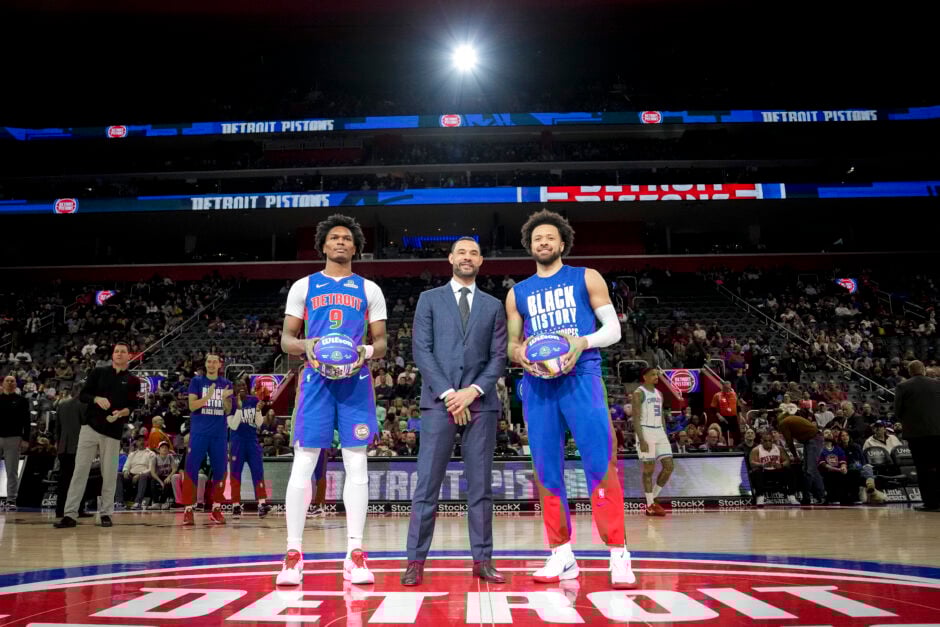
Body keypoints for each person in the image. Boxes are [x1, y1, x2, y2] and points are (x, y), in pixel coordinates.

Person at [506, 209, 636, 589]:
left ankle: (618, 553)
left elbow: (612, 330)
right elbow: (514, 345)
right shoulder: (518, 293)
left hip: (582, 377)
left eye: (549, 237)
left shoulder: (586, 277)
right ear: (530, 247)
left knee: (600, 463)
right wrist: (523, 354)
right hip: (539, 386)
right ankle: (561, 556)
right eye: (536, 239)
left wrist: (582, 342)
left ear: (562, 243)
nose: (543, 242)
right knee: (547, 470)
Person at [276, 214, 388, 586]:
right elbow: (287, 340)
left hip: (355, 381)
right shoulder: (303, 287)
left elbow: (383, 343)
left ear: (356, 247)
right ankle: (293, 554)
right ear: (323, 245)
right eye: (334, 238)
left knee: (357, 465)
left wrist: (366, 352)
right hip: (315, 382)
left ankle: (355, 554)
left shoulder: (369, 289)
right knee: (304, 462)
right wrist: (305, 345)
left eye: (347, 239)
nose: (340, 243)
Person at [403, 236, 507, 586]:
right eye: (461, 252)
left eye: (473, 253)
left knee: (480, 488)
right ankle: (415, 562)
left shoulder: (494, 305)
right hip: (438, 403)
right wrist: (451, 394)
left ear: (481, 261)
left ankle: (483, 560)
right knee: (427, 486)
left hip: (481, 404)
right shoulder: (428, 300)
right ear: (450, 258)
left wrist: (471, 392)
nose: (467, 257)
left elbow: (498, 357)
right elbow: (422, 351)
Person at [54, 342, 141, 528]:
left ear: (129, 356)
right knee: (79, 471)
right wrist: (96, 398)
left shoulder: (133, 381)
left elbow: (133, 406)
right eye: (116, 351)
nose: (119, 354)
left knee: (109, 475)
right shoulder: (99, 372)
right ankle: (70, 514)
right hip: (90, 427)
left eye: (123, 352)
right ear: (112, 355)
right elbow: (84, 395)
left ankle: (106, 514)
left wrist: (122, 413)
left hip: (113, 431)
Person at [182, 352, 233, 525]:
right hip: (199, 433)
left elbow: (227, 410)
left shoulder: (226, 384)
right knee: (191, 469)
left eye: (214, 362)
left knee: (220, 471)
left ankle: (216, 508)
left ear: (220, 365)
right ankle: (188, 509)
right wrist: (209, 396)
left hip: (219, 434)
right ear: (205, 364)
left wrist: (226, 399)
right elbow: (192, 405)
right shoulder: (197, 381)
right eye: (208, 361)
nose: (211, 364)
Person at [894, 360, 940, 511]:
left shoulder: (903, 386)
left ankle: (930, 503)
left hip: (917, 436)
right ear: (924, 370)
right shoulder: (936, 384)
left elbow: (897, 412)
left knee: (923, 469)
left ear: (910, 372)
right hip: (937, 433)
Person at [632, 368, 674, 516]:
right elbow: (635, 418)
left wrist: (664, 433)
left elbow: (661, 415)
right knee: (648, 469)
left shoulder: (659, 394)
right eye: (653, 374)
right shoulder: (638, 393)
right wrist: (641, 439)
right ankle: (650, 505)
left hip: (659, 431)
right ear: (645, 377)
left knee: (669, 466)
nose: (656, 376)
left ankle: (652, 498)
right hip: (646, 430)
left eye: (657, 374)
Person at [227, 382, 272, 519]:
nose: (241, 386)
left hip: (252, 441)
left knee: (258, 472)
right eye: (238, 384)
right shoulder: (230, 403)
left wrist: (258, 411)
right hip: (237, 443)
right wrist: (240, 408)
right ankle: (235, 505)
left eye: (243, 385)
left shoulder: (254, 400)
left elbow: (258, 423)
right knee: (235, 475)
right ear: (234, 389)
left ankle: (262, 504)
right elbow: (233, 426)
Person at [53, 392, 88, 518]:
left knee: (63, 480)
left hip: (63, 447)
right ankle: (78, 509)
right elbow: (86, 426)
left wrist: (59, 444)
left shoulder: (62, 405)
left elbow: (57, 428)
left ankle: (60, 509)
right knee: (80, 478)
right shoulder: (84, 405)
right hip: (78, 446)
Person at [777, 414, 826, 505]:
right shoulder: (792, 419)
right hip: (812, 440)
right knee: (808, 470)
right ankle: (816, 496)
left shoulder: (783, 423)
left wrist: (795, 456)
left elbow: (789, 441)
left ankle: (813, 497)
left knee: (810, 470)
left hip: (813, 440)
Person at [1, 375, 30, 511]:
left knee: (11, 470)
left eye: (12, 380)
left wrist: (25, 439)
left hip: (14, 438)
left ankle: (11, 499)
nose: (10, 382)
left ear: (16, 384)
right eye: (7, 380)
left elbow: (27, 421)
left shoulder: (22, 400)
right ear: (3, 383)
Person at [749, 431, 800, 506]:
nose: (768, 442)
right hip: (764, 473)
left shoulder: (779, 448)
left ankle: (791, 495)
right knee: (756, 472)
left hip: (777, 471)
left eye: (769, 440)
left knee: (789, 470)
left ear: (772, 440)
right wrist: (762, 465)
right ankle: (760, 496)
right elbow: (752, 463)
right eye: (765, 441)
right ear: (761, 441)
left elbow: (787, 461)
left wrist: (781, 465)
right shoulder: (756, 450)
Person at [818, 430, 851, 505]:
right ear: (822, 436)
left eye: (830, 433)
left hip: (838, 471)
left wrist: (844, 468)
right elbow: (824, 464)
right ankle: (832, 498)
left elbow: (843, 460)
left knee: (849, 474)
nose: (829, 433)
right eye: (826, 433)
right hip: (826, 472)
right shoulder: (820, 448)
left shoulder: (838, 448)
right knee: (832, 476)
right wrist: (838, 469)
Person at [711, 381, 741, 446]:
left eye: (729, 388)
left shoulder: (734, 394)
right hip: (723, 418)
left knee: (737, 434)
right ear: (723, 387)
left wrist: (741, 416)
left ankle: (737, 448)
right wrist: (719, 416)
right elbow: (712, 408)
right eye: (726, 388)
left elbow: (738, 405)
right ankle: (723, 448)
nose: (727, 390)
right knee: (722, 434)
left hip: (733, 417)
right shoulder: (717, 395)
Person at [150, 441, 178, 509]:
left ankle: (163, 502)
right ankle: (156, 502)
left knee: (168, 483)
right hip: (158, 477)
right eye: (162, 447)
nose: (164, 449)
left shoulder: (170, 457)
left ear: (168, 450)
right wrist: (160, 482)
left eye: (166, 448)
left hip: (167, 476)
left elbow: (174, 469)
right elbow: (152, 472)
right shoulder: (155, 458)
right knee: (153, 481)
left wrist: (169, 477)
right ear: (159, 449)